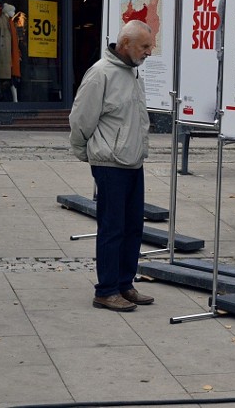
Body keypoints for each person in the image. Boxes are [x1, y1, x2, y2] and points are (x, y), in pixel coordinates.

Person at [69, 20, 155, 312]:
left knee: (133, 227)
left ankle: (124, 284)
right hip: (110, 163)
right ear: (126, 44)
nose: (149, 52)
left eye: (150, 46)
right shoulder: (100, 74)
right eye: (145, 46)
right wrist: (84, 151)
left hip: (132, 162)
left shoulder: (132, 73)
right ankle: (105, 290)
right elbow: (81, 118)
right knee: (112, 227)